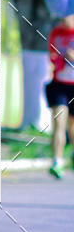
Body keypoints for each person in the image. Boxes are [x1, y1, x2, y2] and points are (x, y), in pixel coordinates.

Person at [45, 13, 74, 178]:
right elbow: (52, 55)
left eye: (67, 15)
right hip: (59, 84)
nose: (64, 19)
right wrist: (56, 60)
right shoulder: (56, 33)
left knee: (72, 127)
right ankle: (57, 161)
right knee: (58, 121)